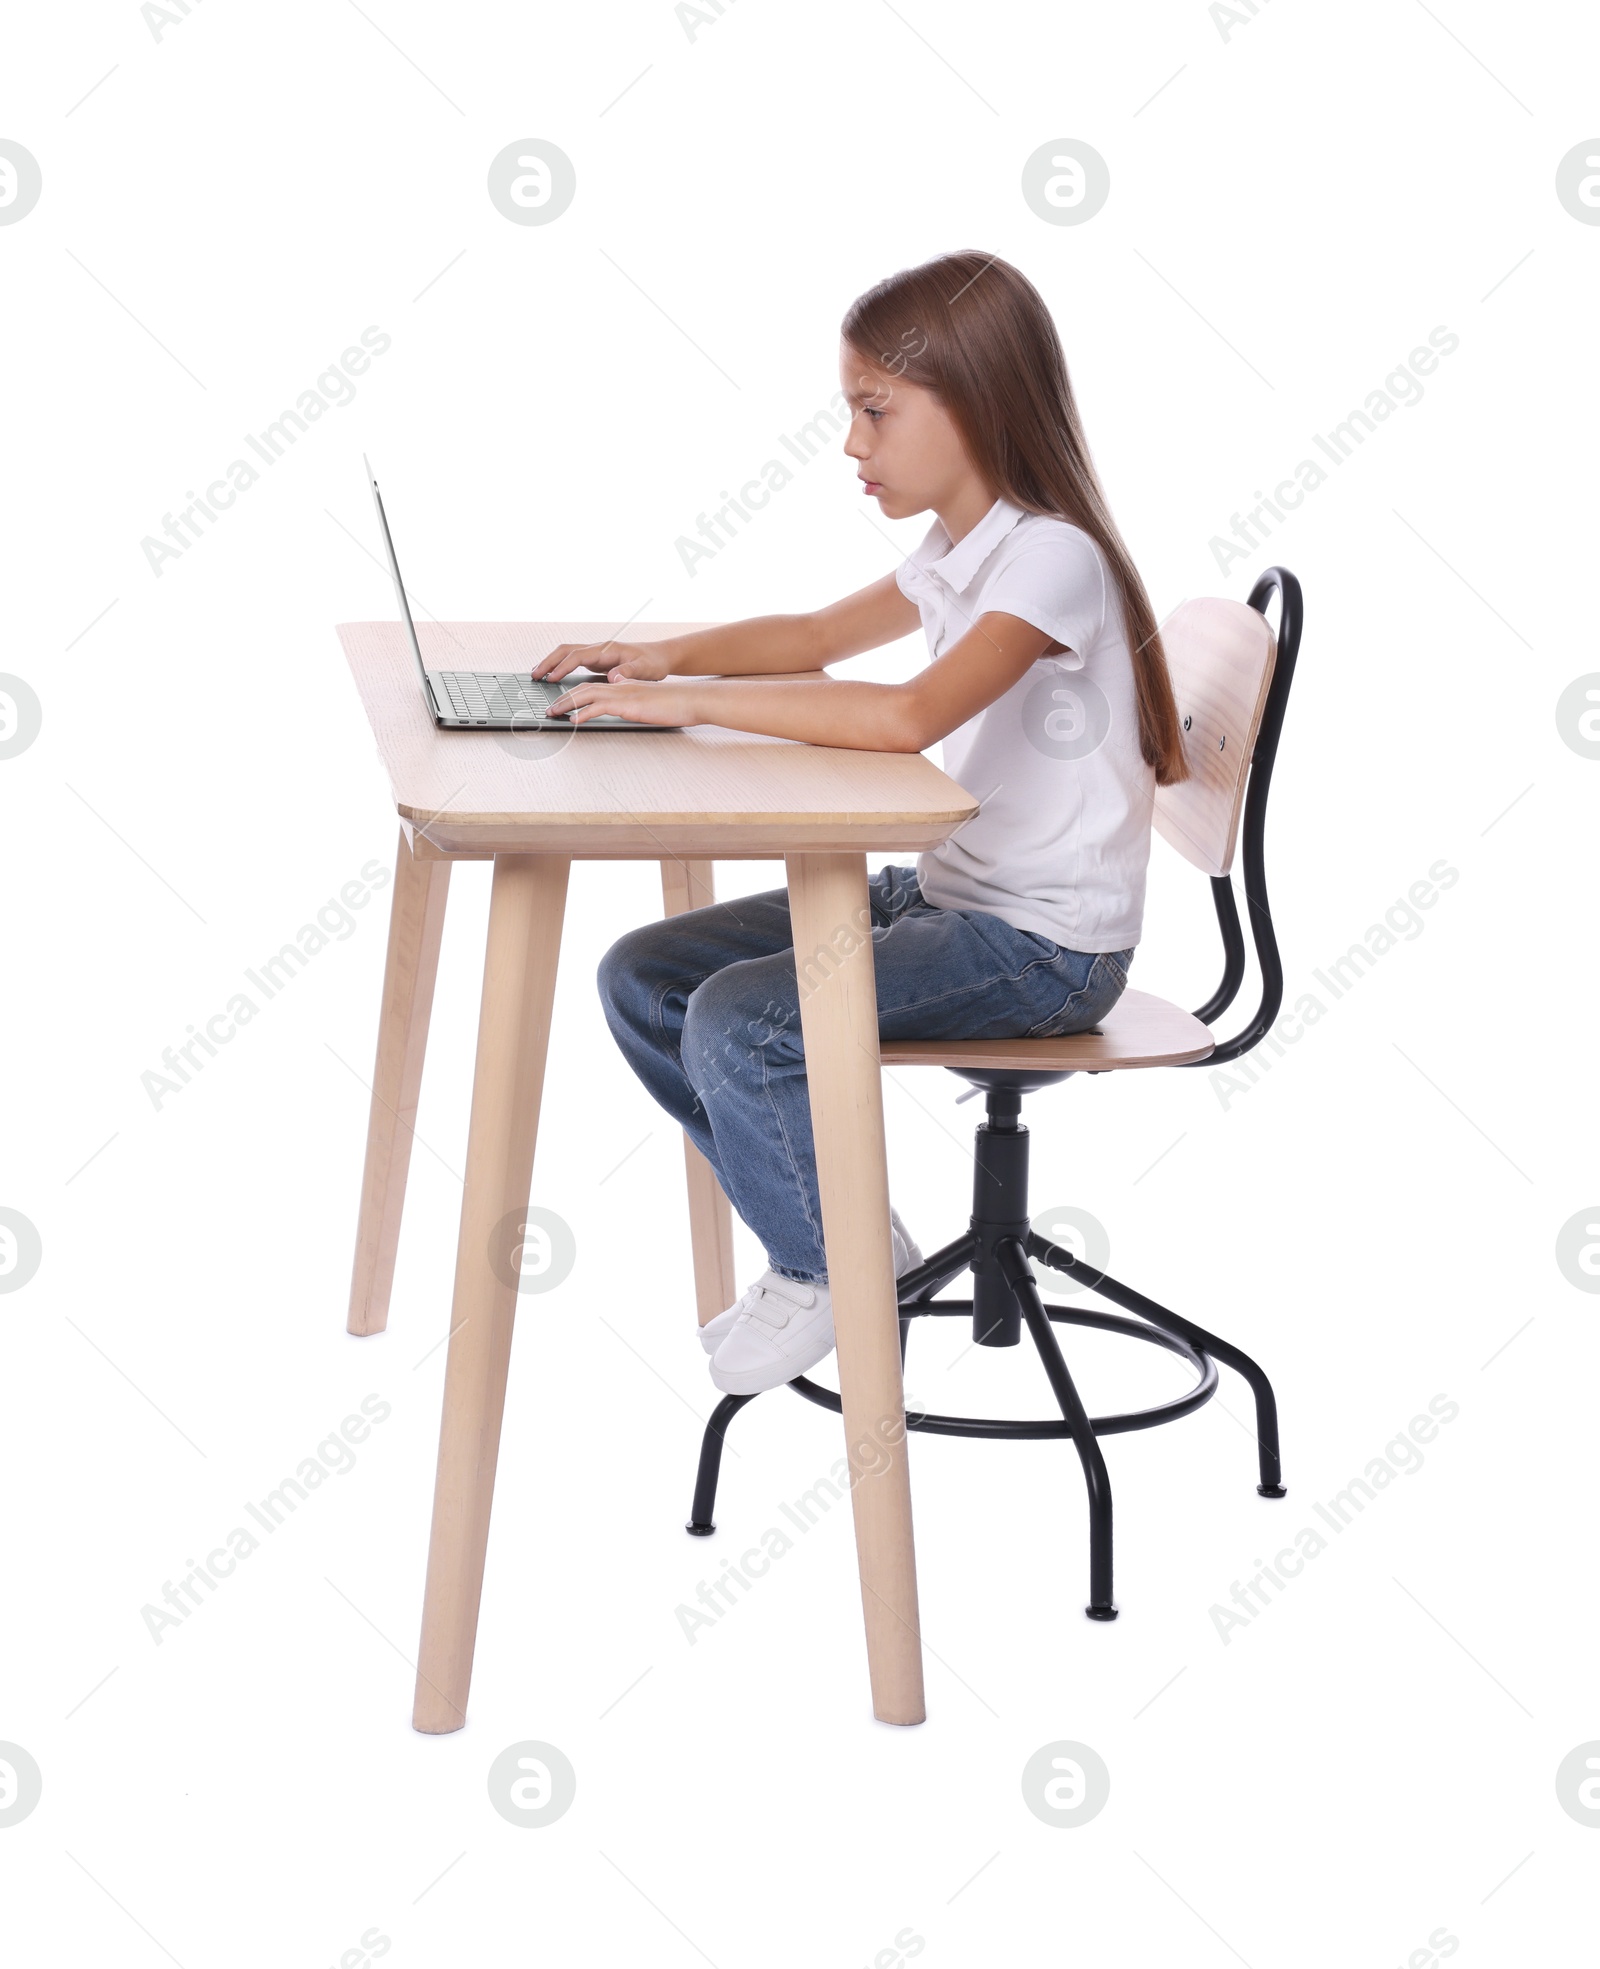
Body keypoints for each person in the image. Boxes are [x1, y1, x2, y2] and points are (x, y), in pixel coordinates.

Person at [532, 249, 1189, 1398]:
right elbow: (813, 638)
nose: (852, 444)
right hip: (953, 898)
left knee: (741, 1020)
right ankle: (845, 1237)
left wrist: (680, 705)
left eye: (875, 410)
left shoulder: (1050, 560)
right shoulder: (962, 548)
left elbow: (906, 714)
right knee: (646, 979)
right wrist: (659, 656)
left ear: (976, 402)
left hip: (1043, 950)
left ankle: (819, 1263)